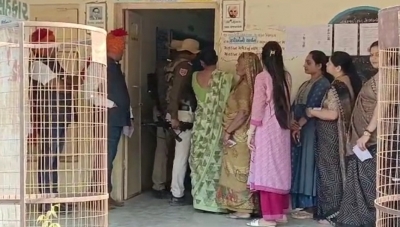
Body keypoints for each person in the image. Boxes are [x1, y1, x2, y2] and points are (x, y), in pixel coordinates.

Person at [306, 51, 362, 225]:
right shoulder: (349, 82)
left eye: (330, 63)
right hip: (338, 137)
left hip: (331, 137)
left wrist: (312, 111)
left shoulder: (337, 86)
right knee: (335, 171)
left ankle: (332, 213)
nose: (327, 65)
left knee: (330, 173)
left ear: (338, 68)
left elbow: (332, 114)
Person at [29, 28, 82, 212]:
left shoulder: (54, 63)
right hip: (47, 118)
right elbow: (59, 86)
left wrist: (83, 73)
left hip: (59, 118)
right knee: (47, 159)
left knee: (53, 159)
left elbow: (72, 83)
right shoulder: (38, 65)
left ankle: (54, 199)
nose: (54, 45)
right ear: (38, 46)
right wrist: (72, 84)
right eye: (49, 41)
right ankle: (45, 203)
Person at [246, 41, 292, 227]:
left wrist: (251, 130)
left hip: (267, 127)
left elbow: (258, 107)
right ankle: (280, 213)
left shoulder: (262, 77)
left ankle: (268, 219)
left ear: (263, 58)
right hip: (282, 129)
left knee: (266, 171)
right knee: (279, 168)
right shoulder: (286, 77)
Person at [336, 41, 379, 227]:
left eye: (378, 54)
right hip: (363, 139)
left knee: (371, 183)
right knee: (360, 181)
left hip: (374, 140)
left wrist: (368, 133)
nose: (374, 58)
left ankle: (373, 220)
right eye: (372, 54)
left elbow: (382, 106)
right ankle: (357, 220)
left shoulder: (391, 76)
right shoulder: (378, 76)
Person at [216, 52, 262, 219]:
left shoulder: (244, 87)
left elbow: (243, 112)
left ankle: (243, 209)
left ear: (247, 67)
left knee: (238, 172)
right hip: (242, 134)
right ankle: (244, 207)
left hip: (239, 135)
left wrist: (228, 131)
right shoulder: (248, 84)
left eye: (239, 63)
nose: (236, 66)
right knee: (241, 171)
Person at [190, 48, 234, 213]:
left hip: (201, 125)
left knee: (199, 161)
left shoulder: (194, 77)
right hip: (217, 125)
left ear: (201, 62)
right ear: (216, 60)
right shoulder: (226, 78)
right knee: (215, 162)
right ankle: (216, 203)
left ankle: (200, 200)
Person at [290, 51, 331, 219]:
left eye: (308, 62)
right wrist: (293, 123)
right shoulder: (306, 83)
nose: (304, 65)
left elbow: (313, 107)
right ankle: (301, 203)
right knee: (301, 161)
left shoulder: (323, 83)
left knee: (309, 162)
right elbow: (295, 105)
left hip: (311, 127)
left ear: (319, 65)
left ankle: (311, 205)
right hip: (300, 126)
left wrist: (298, 125)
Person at [165, 38, 199, 206]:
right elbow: (177, 91)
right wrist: (174, 116)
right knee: (181, 156)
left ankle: (175, 190)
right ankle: (177, 192)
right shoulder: (185, 67)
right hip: (182, 112)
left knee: (176, 154)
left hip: (174, 112)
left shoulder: (170, 65)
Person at [103, 28, 133, 209]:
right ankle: (100, 196)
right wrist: (110, 104)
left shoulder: (114, 66)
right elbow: (88, 92)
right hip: (108, 119)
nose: (123, 50)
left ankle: (106, 194)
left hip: (116, 120)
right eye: (122, 46)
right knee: (105, 159)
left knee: (109, 158)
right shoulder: (100, 65)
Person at [151, 39, 182, 199]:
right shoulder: (175, 67)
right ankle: (162, 184)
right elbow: (164, 92)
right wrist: (166, 113)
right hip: (167, 111)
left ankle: (161, 183)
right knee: (166, 149)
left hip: (164, 110)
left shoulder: (164, 66)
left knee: (164, 149)